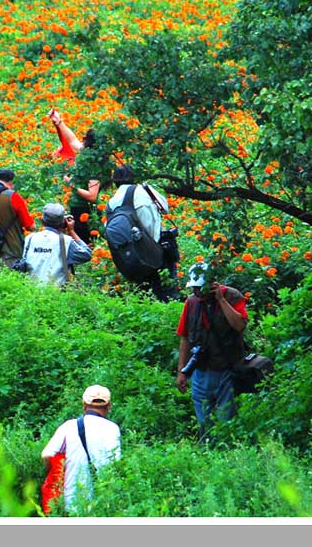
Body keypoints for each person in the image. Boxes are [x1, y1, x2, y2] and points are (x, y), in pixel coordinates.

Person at [175, 265, 249, 438]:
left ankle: (227, 452)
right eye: (194, 288)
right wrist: (181, 372)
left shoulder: (233, 296)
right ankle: (207, 449)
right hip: (201, 371)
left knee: (226, 420)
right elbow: (184, 338)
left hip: (227, 370)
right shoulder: (191, 302)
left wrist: (221, 300)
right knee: (204, 422)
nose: (197, 292)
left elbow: (239, 325)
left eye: (200, 288)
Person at [40, 385, 121, 514]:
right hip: (102, 500)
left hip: (71, 499)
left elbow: (47, 455)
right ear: (109, 406)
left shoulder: (69, 426)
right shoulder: (113, 429)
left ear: (84, 405)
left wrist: (56, 474)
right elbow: (115, 465)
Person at [106, 164, 180, 300]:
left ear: (115, 181)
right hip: (160, 249)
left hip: (135, 256)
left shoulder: (111, 204)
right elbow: (165, 208)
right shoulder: (144, 190)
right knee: (168, 292)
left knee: (145, 294)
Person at [49, 109, 101, 243]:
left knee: (86, 244)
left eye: (85, 138)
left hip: (86, 211)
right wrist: (59, 122)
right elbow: (72, 140)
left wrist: (71, 184)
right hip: (78, 208)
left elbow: (92, 195)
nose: (81, 140)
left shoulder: (93, 164)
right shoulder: (89, 154)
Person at [18, 203, 93, 286]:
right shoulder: (66, 241)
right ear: (62, 223)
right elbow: (87, 254)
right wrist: (71, 231)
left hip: (31, 291)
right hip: (56, 293)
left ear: (42, 221)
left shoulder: (30, 238)